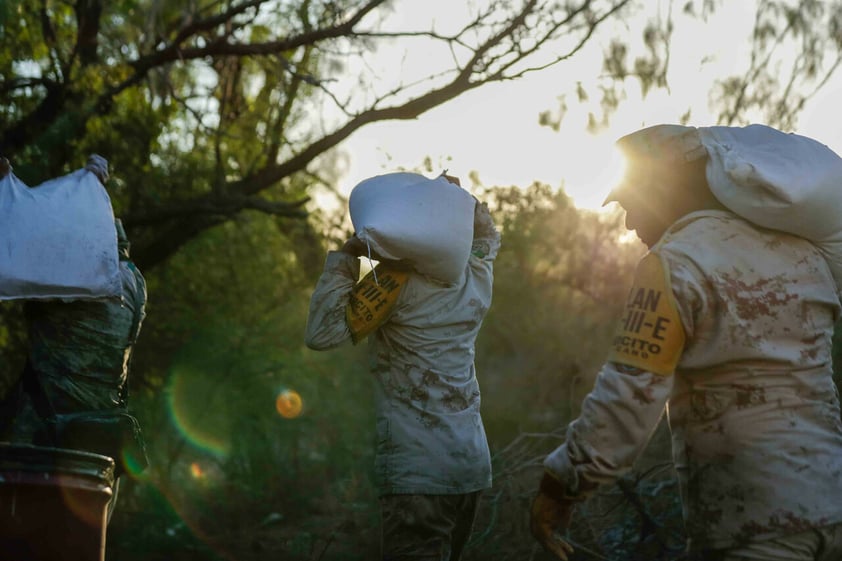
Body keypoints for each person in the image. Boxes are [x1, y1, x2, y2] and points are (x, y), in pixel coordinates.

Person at [530, 124, 842, 560]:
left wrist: (560, 486)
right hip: (831, 507)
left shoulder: (674, 262)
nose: (628, 220)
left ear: (669, 187)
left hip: (753, 520)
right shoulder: (804, 255)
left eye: (632, 201)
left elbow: (629, 398)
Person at [304, 176, 500, 561]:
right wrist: (460, 206)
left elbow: (321, 332)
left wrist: (348, 255)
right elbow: (486, 238)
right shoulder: (477, 275)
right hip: (469, 470)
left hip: (418, 474)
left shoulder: (394, 287)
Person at [0, 155, 148, 514]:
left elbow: (20, 256)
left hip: (40, 439)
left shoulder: (66, 277)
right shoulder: (135, 285)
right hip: (99, 444)